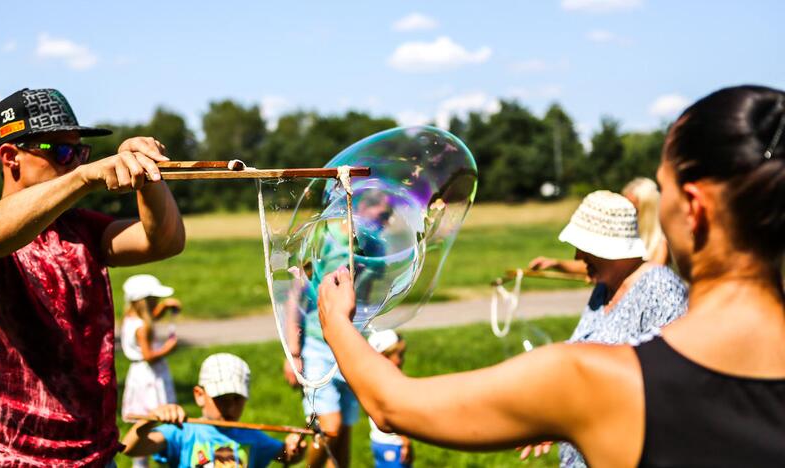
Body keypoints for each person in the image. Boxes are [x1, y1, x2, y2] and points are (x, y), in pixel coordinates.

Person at [317, 85, 785, 466]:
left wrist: (337, 320)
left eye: (663, 188)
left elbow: (394, 405)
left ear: (695, 209)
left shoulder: (593, 380)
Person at [0, 88, 185, 465]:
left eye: (80, 153)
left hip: (94, 454)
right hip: (5, 457)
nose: (74, 162)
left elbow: (164, 241)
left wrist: (147, 173)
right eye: (61, 151)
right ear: (11, 157)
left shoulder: (84, 230)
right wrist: (83, 178)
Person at [533, 190, 688, 467]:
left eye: (583, 246)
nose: (577, 255)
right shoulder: (603, 290)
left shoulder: (660, 288)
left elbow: (675, 388)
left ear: (607, 247)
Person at [282, 189, 391, 468]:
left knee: (343, 434)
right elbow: (297, 295)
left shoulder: (375, 246)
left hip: (351, 345)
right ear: (362, 206)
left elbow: (366, 297)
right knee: (330, 426)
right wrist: (293, 351)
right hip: (317, 345)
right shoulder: (325, 236)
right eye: (384, 214)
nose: (387, 223)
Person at [122, 353, 307, 467]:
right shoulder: (182, 431)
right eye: (220, 399)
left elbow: (285, 457)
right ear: (199, 395)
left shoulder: (252, 437)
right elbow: (130, 448)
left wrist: (293, 448)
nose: (230, 406)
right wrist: (150, 419)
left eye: (236, 399)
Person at [530, 177, 670, 274]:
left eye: (631, 207)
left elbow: (653, 279)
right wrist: (556, 264)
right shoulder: (622, 234)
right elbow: (596, 265)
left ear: (647, 210)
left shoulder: (661, 243)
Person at [121, 274, 181, 468]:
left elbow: (150, 317)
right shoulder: (143, 328)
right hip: (149, 375)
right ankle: (146, 460)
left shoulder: (131, 318)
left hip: (137, 374)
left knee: (143, 419)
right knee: (154, 416)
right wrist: (168, 348)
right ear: (144, 301)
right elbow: (148, 355)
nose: (157, 302)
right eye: (154, 300)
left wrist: (163, 308)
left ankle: (142, 460)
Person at [367, 330, 414, 468]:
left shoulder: (373, 380)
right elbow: (394, 414)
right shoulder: (389, 384)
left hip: (380, 441)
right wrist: (405, 440)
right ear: (384, 357)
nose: (402, 359)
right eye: (399, 355)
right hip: (392, 443)